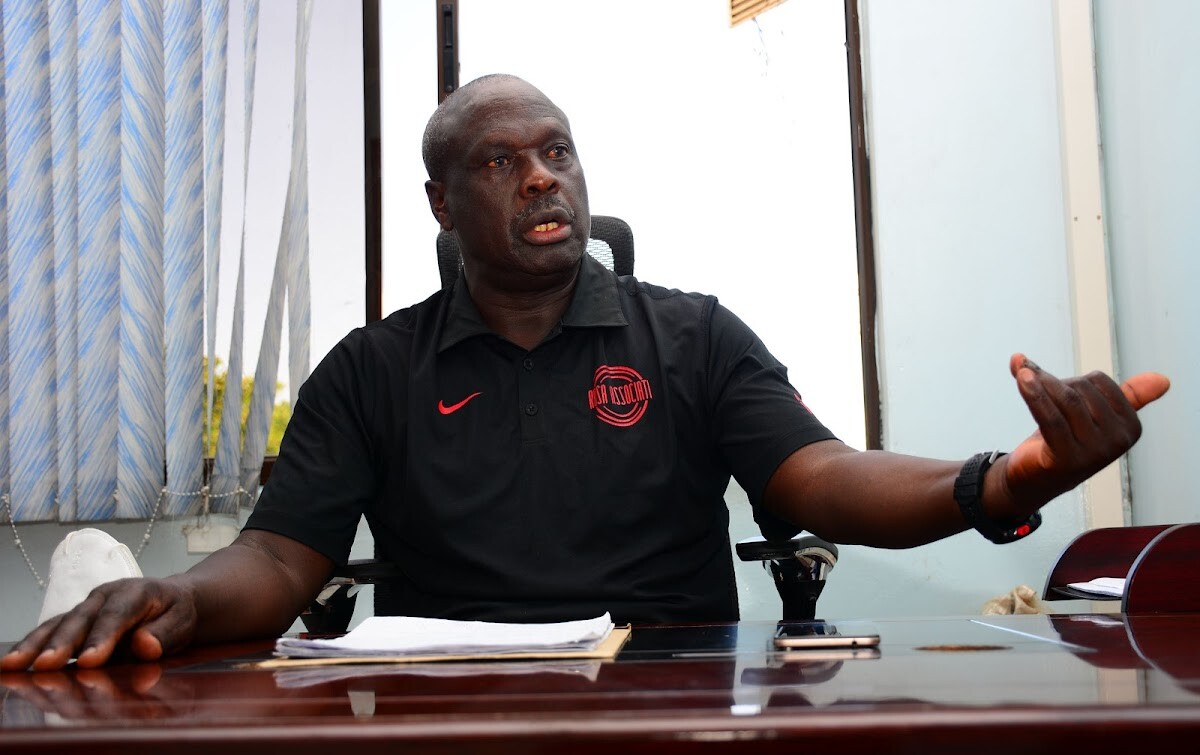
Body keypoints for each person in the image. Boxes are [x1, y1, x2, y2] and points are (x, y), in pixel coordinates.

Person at [2, 74, 1170, 672]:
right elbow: (276, 558)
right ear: (443, 205)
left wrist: (1001, 480)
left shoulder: (692, 335)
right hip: (449, 711)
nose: (541, 177)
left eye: (556, 150)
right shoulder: (370, 369)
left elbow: (820, 475)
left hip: (672, 695)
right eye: (500, 162)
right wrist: (183, 596)